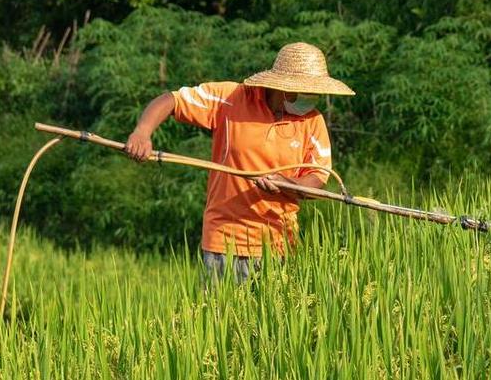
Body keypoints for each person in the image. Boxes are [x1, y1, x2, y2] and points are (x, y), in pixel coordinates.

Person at [124, 42, 354, 282]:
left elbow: (317, 178)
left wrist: (286, 184)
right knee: (218, 306)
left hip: (280, 244)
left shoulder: (312, 121)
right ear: (284, 88)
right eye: (307, 92)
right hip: (224, 241)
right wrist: (142, 132)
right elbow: (171, 100)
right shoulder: (231, 98)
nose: (312, 99)